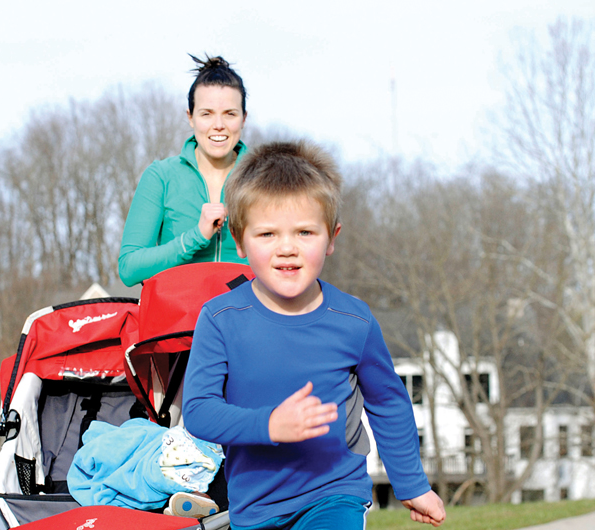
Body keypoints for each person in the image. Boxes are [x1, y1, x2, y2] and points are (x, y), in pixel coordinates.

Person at [182, 141, 446, 529]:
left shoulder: (353, 320)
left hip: (335, 493)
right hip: (254, 507)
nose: (287, 248)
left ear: (331, 237)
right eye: (267, 234)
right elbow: (200, 411)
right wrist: (268, 425)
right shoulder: (220, 318)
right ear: (239, 240)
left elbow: (388, 401)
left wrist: (411, 483)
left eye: (305, 232)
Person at [118, 54, 249, 286]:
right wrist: (195, 237)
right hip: (181, 319)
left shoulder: (263, 178)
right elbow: (129, 268)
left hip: (248, 318)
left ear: (243, 118)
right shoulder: (161, 176)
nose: (218, 125)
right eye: (206, 114)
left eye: (230, 113)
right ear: (191, 117)